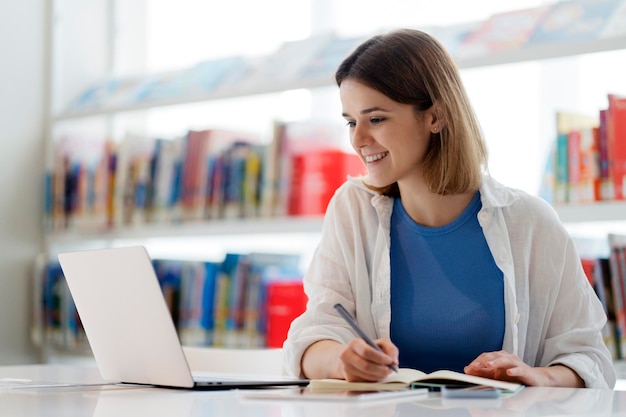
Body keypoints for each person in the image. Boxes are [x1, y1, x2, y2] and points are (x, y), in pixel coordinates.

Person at [282, 28, 615, 389]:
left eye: (375, 119)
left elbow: (589, 358)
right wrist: (339, 359)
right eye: (351, 122)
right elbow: (313, 332)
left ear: (435, 117)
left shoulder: (530, 221)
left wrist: (537, 376)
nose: (358, 140)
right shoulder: (352, 209)